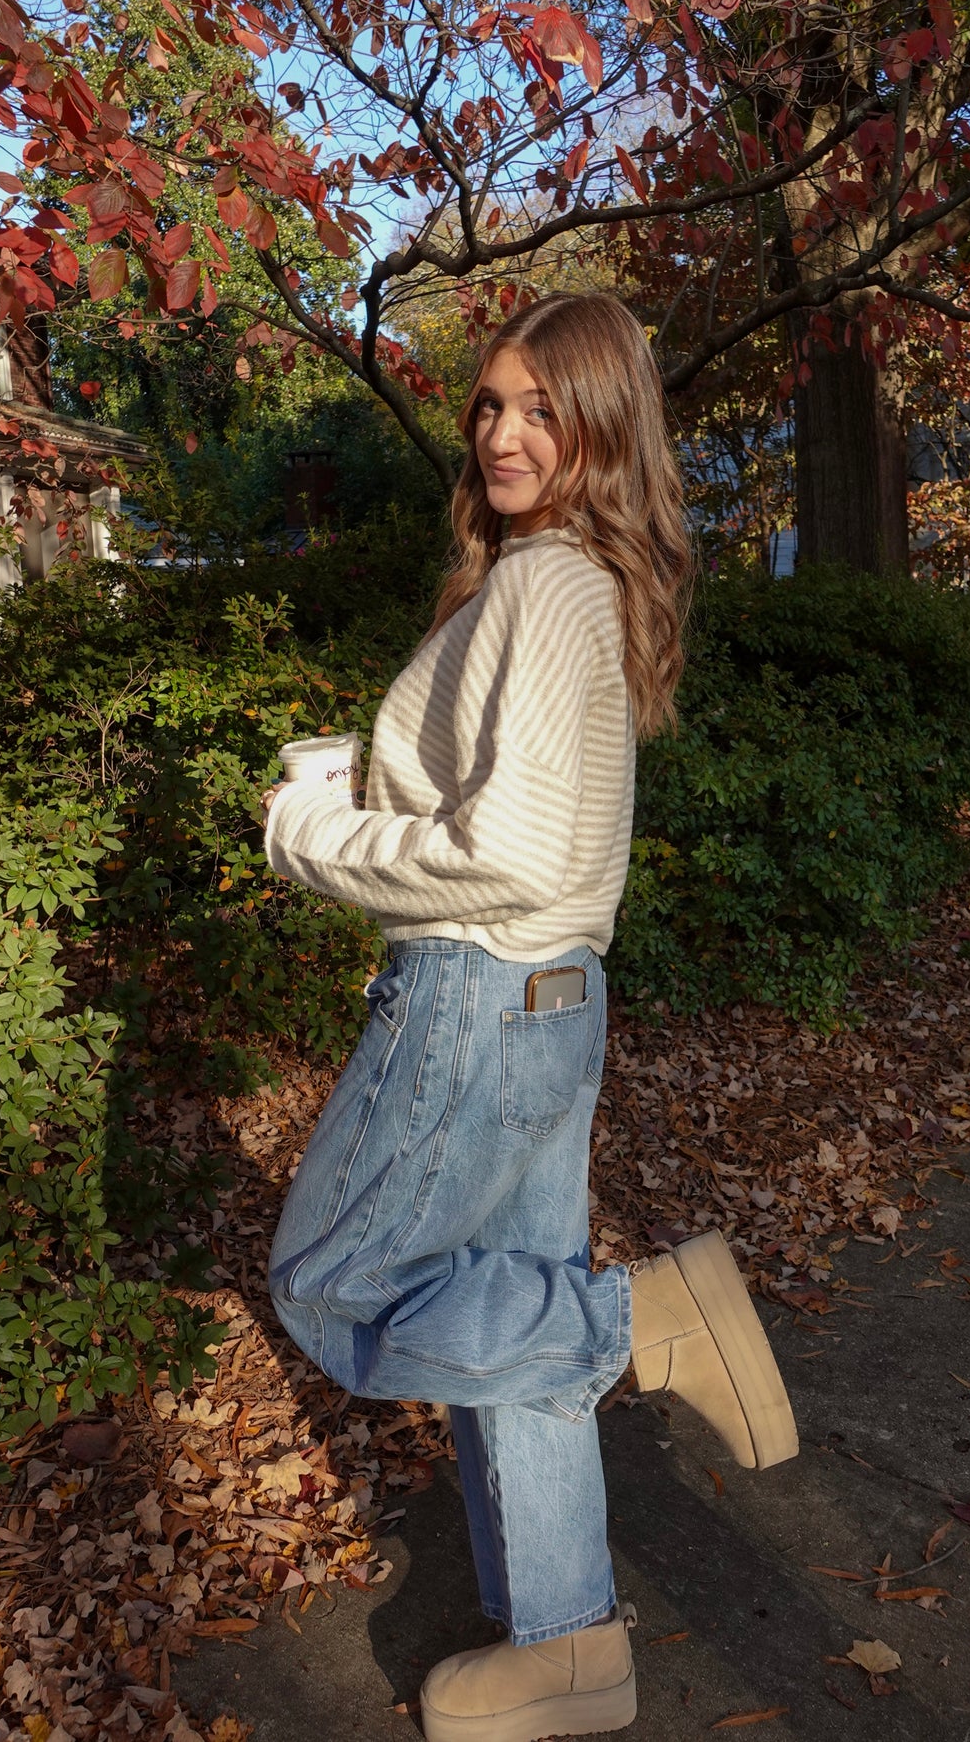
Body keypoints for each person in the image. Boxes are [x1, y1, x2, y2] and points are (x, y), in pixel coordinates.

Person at [261, 292, 798, 1742]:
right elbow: (523, 830)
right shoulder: (561, 580)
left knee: (331, 1280)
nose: (501, 432)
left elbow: (505, 851)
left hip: (477, 998)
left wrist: (308, 831)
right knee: (513, 1338)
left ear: (601, 427)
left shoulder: (547, 585)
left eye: (539, 409)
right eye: (489, 406)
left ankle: (648, 1318)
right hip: (538, 1007)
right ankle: (570, 1651)